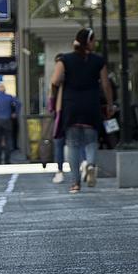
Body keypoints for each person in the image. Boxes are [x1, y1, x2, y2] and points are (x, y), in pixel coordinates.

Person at [52, 28, 114, 192]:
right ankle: (90, 165)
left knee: (72, 145)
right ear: (88, 42)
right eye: (94, 40)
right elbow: (106, 85)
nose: (95, 43)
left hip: (71, 107)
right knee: (91, 141)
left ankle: (75, 183)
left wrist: (54, 99)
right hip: (91, 106)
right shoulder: (98, 61)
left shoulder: (65, 60)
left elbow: (55, 81)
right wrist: (109, 104)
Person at [0, 83, 20, 164]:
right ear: (5, 90)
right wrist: (15, 113)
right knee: (8, 140)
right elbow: (18, 104)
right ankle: (7, 160)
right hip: (7, 120)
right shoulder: (9, 97)